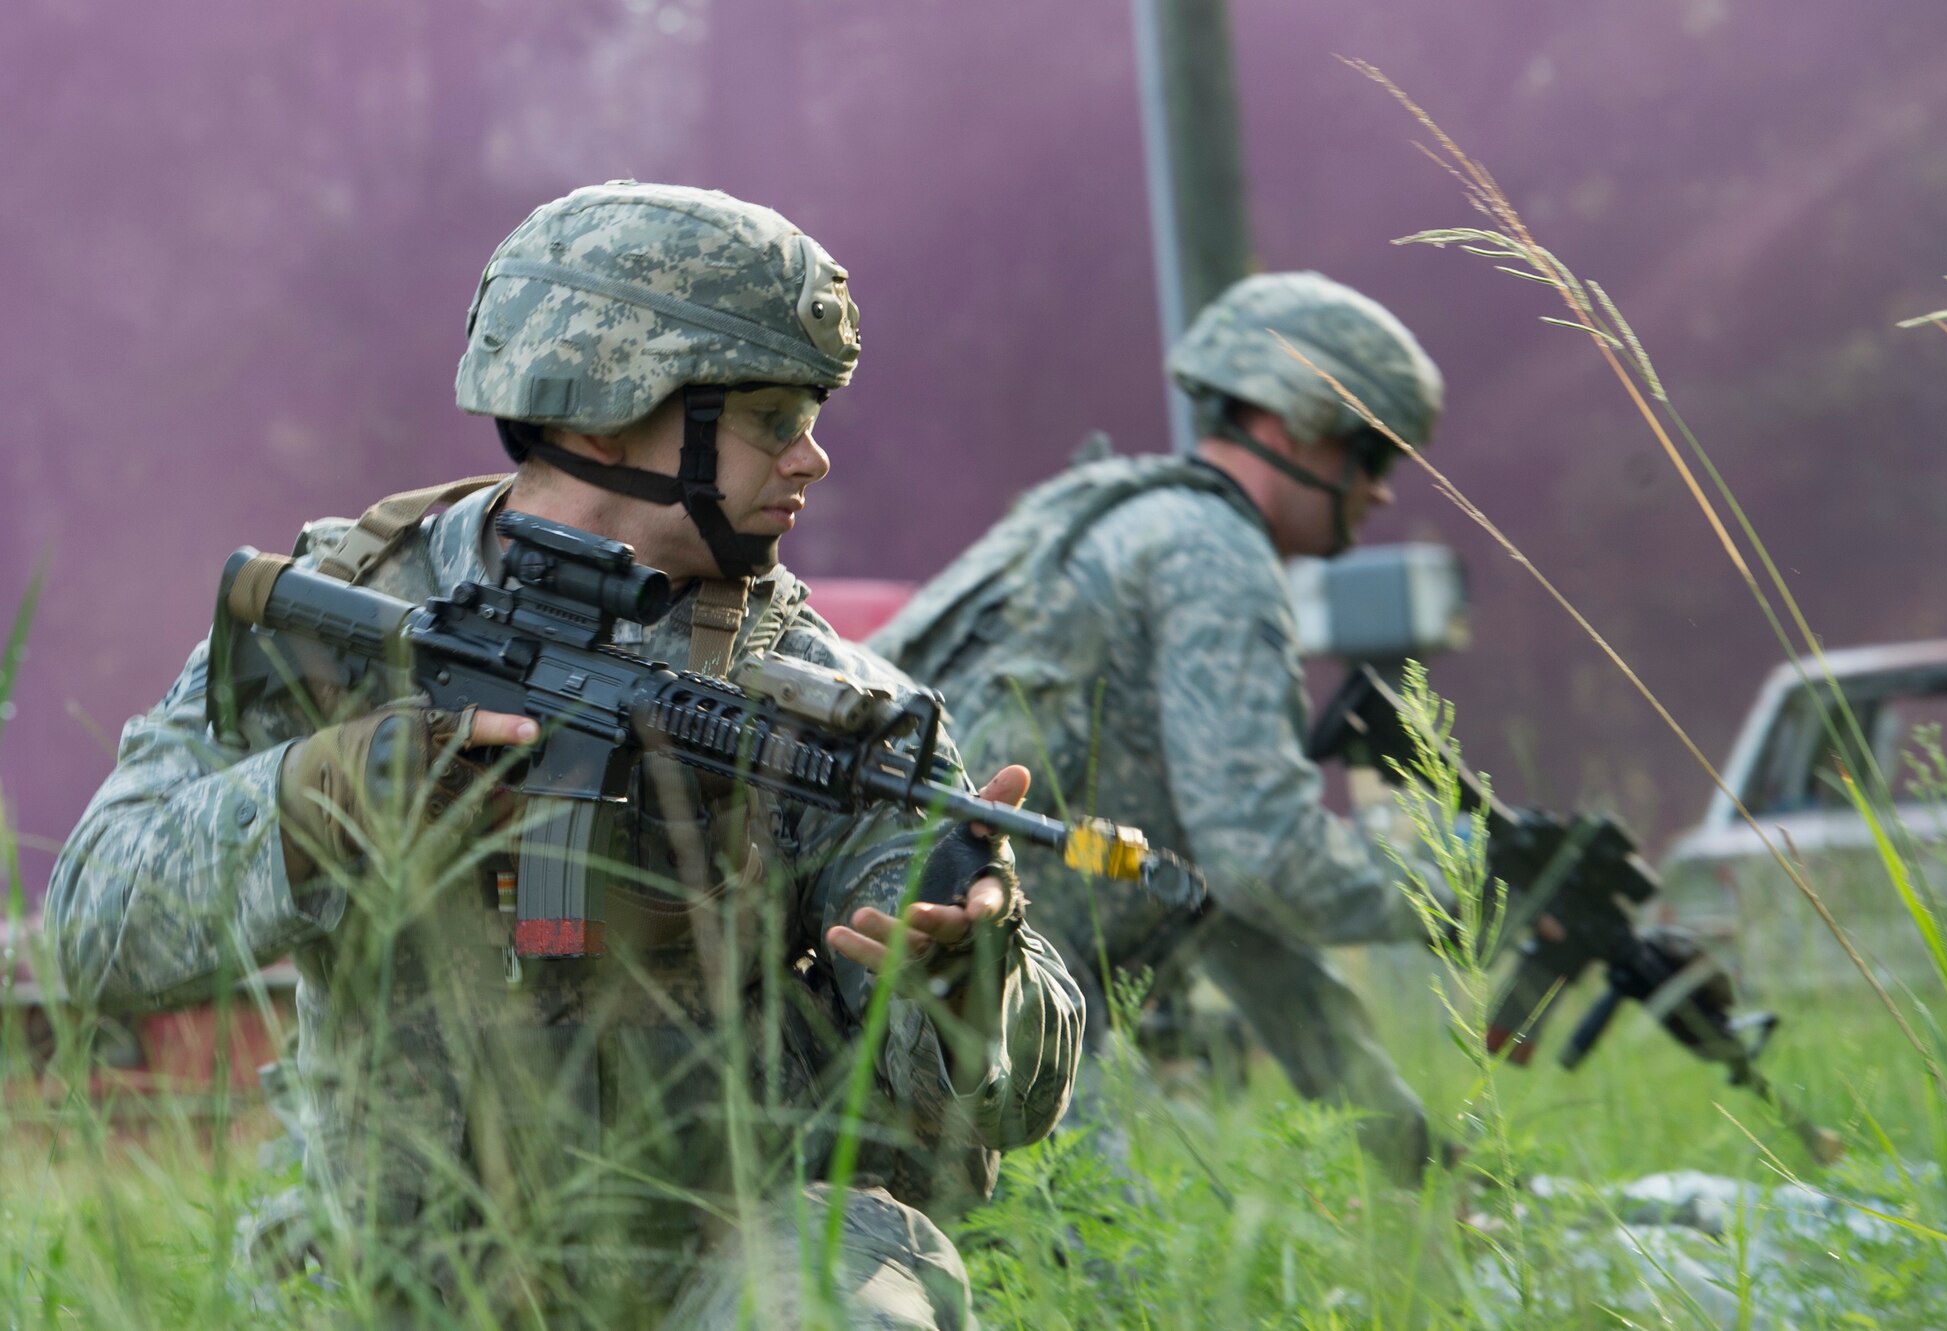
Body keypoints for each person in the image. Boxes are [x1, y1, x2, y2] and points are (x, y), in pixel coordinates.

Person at [45, 181, 1083, 1326]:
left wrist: (965, 989)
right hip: (397, 1258)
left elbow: (1005, 1103)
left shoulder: (841, 714)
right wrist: (320, 794)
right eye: (772, 416)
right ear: (607, 411)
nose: (811, 458)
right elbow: (94, 925)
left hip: (732, 1255)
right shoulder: (344, 613)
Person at [870, 272, 1449, 1182]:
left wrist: (1410, 1151)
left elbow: (1212, 893)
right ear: (1291, 423)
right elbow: (1272, 858)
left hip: (907, 971)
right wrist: (1466, 888)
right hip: (974, 994)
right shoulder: (1219, 557)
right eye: (1372, 455)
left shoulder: (1106, 507)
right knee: (1091, 1280)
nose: (1381, 493)